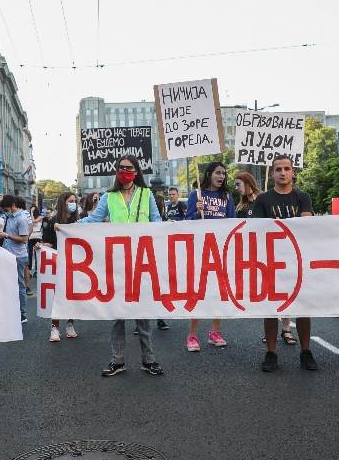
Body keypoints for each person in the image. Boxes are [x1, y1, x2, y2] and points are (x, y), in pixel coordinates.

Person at [78, 154, 164, 377]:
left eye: (129, 167)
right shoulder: (109, 196)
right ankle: (118, 361)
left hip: (142, 261)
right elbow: (93, 220)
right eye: (121, 167)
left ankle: (149, 360)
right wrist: (69, 226)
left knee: (143, 314)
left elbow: (156, 221)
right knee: (117, 314)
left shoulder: (147, 194)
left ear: (136, 171)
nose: (124, 170)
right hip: (117, 262)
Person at [246, 156, 318, 371]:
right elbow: (258, 229)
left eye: (287, 168)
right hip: (271, 261)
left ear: (293, 172)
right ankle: (271, 352)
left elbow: (305, 225)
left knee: (303, 307)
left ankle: (306, 351)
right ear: (273, 173)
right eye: (278, 169)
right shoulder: (263, 200)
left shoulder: (303, 197)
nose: (283, 172)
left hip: (297, 260)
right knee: (271, 307)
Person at [183, 161, 234, 351]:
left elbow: (231, 222)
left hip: (220, 248)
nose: (222, 177)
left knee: (219, 291)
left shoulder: (227, 196)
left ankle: (215, 332)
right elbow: (186, 222)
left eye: (224, 174)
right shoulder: (195, 195)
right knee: (198, 291)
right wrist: (197, 212)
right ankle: (193, 335)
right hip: (200, 249)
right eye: (218, 173)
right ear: (209, 174)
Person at [40, 192, 79, 342]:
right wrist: (41, 247)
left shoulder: (78, 221)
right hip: (57, 262)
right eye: (70, 201)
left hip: (75, 263)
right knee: (56, 296)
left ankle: (70, 324)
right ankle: (55, 327)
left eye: (75, 201)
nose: (73, 203)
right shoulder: (53, 222)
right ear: (63, 202)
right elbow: (48, 243)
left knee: (72, 295)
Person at [0, 194, 31, 324]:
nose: (4, 212)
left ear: (12, 206)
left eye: (5, 209)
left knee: (20, 285)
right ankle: (12, 310)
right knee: (8, 284)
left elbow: (24, 239)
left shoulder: (21, 219)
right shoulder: (9, 217)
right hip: (8, 254)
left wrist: (6, 235)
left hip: (18, 256)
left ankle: (22, 313)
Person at [28, 206, 44, 275]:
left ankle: (37, 269)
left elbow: (34, 221)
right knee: (29, 253)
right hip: (31, 236)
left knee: (37, 252)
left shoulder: (40, 217)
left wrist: (31, 212)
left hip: (37, 236)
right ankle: (29, 268)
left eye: (33, 210)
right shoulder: (29, 217)